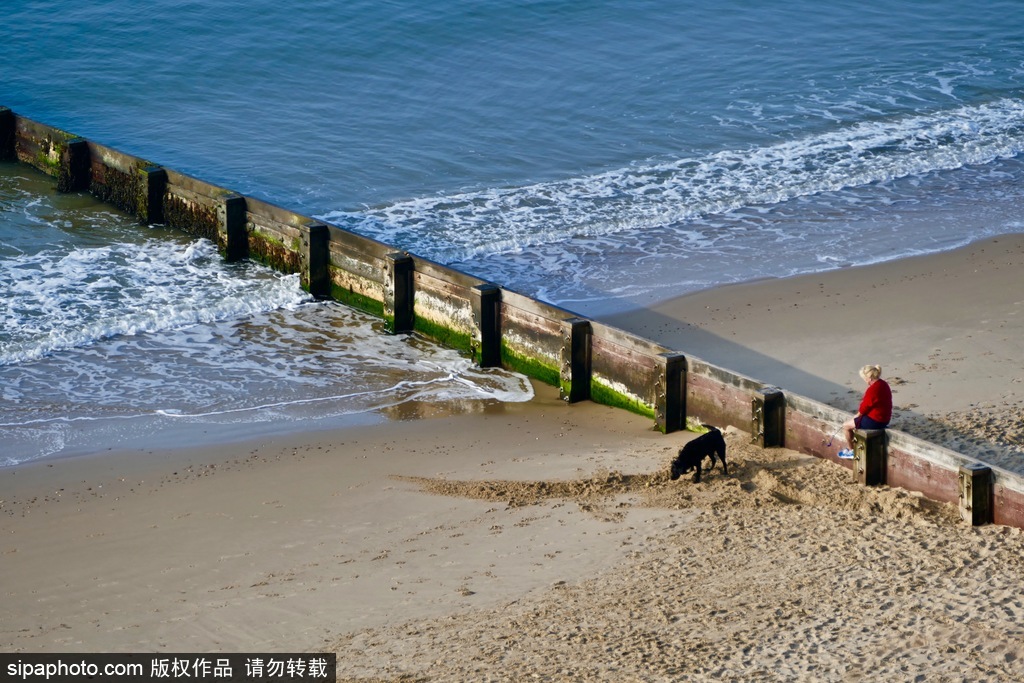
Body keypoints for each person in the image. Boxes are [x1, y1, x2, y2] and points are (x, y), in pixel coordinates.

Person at [837, 364, 892, 459]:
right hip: (885, 418)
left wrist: (857, 416)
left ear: (869, 378)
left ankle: (851, 451)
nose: (864, 381)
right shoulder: (883, 384)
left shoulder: (873, 389)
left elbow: (865, 406)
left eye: (864, 378)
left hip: (876, 421)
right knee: (854, 423)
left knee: (846, 426)